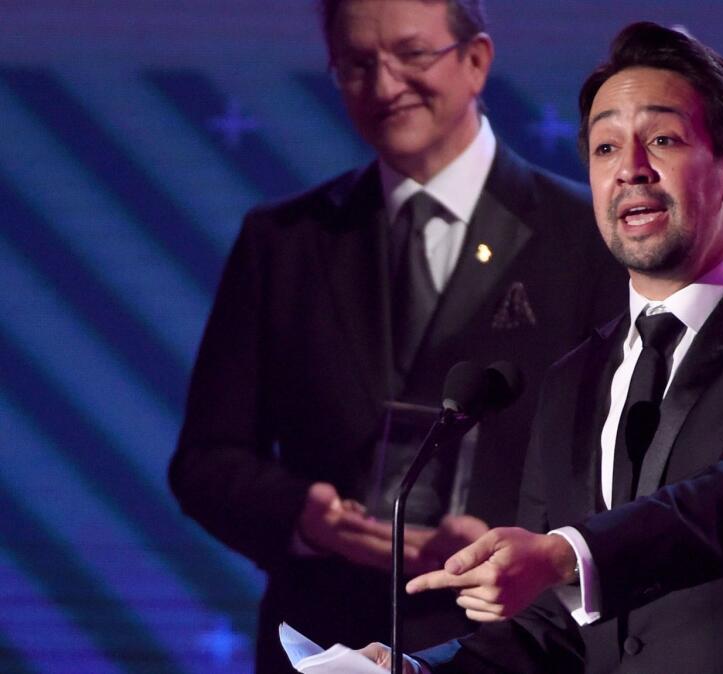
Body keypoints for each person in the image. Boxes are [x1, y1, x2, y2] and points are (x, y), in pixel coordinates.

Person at [370, 20, 723, 674]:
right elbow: (548, 626)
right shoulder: (571, 380)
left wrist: (563, 554)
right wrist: (417, 671)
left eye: (663, 140)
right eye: (605, 148)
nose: (630, 170)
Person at [167, 0, 625, 672]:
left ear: (476, 61)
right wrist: (304, 518)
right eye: (357, 65)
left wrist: (532, 546)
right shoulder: (285, 243)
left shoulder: (591, 241)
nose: (384, 87)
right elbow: (206, 461)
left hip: (514, 648)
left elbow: (639, 473)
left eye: (412, 55)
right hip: (325, 645)